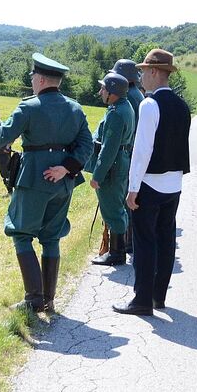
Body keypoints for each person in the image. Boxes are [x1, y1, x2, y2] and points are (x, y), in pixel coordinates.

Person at [0, 52, 93, 313]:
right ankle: (48, 300)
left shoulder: (28, 106)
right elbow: (87, 145)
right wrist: (66, 168)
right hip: (63, 181)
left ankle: (34, 299)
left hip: (34, 179)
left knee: (21, 233)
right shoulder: (75, 108)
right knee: (51, 238)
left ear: (39, 80)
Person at [113, 48, 191, 316]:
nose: (141, 76)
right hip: (174, 184)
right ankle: (159, 296)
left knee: (145, 242)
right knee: (166, 240)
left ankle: (142, 300)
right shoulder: (182, 106)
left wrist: (133, 188)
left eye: (144, 71)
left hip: (150, 183)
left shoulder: (149, 104)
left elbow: (142, 150)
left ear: (155, 72)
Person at [85, 72, 135, 267]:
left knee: (112, 208)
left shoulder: (116, 113)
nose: (100, 91)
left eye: (103, 88)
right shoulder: (125, 107)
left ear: (112, 92)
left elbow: (108, 148)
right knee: (118, 206)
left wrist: (97, 175)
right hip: (121, 162)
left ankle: (116, 253)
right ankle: (118, 250)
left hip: (113, 166)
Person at [101, 59, 146, 256]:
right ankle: (126, 242)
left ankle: (124, 244)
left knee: (120, 202)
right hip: (129, 153)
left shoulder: (131, 99)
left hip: (126, 153)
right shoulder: (135, 95)